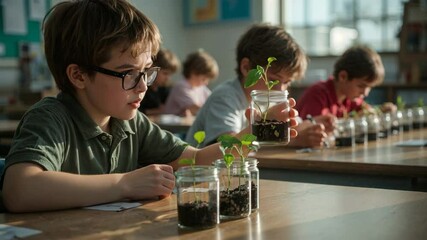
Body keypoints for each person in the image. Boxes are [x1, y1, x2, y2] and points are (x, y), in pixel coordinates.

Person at [0, 0, 298, 213]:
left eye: (146, 72)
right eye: (129, 74)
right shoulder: (51, 118)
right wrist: (124, 184)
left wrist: (254, 131)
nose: (144, 85)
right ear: (78, 75)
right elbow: (20, 190)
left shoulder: (131, 122)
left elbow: (197, 160)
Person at [186, 23, 332, 148]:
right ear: (246, 68)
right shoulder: (225, 97)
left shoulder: (269, 101)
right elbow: (228, 148)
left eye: (287, 82)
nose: (280, 89)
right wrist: (293, 141)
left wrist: (313, 124)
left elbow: (296, 128)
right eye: (272, 79)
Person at [295, 45, 396, 119]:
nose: (365, 93)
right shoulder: (317, 96)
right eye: (361, 86)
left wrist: (381, 111)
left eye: (369, 87)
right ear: (343, 77)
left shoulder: (350, 99)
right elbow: (309, 130)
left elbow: (368, 111)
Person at [164, 49, 219, 116]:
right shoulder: (181, 87)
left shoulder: (201, 88)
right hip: (171, 125)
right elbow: (194, 108)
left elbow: (214, 102)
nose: (206, 83)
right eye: (204, 79)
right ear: (193, 73)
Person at [139, 48, 180, 115]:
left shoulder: (166, 89)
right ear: (153, 69)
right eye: (165, 73)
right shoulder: (142, 87)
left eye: (170, 74)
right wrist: (154, 111)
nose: (168, 78)